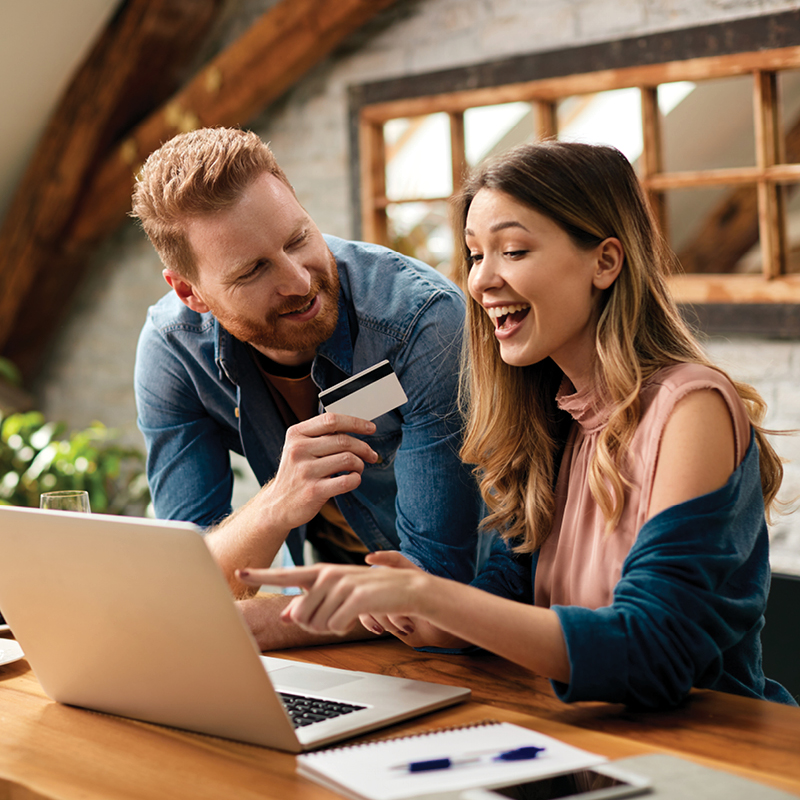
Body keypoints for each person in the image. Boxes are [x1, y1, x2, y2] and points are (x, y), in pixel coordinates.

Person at [238, 140, 798, 708]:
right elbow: (510, 593)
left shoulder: (690, 407)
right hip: (587, 743)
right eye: (476, 255)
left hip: (714, 758)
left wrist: (434, 598)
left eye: (514, 250)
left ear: (605, 261)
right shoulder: (553, 418)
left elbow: (653, 649)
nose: (481, 281)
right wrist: (410, 609)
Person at [131, 127, 482, 649]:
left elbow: (434, 588)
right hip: (340, 629)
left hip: (476, 631)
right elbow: (191, 571)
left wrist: (233, 626)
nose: (298, 281)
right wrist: (277, 504)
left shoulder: (419, 322)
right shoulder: (174, 349)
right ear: (190, 292)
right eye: (253, 270)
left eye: (298, 238)